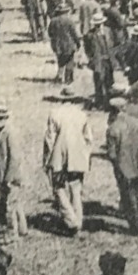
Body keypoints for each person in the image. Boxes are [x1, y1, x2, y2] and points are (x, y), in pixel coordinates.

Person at [42, 87, 93, 237]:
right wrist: (85, 155)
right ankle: (78, 220)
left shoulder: (55, 114)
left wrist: (47, 160)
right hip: (77, 156)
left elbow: (49, 139)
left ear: (61, 99)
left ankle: (71, 221)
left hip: (59, 156)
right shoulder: (82, 115)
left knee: (58, 188)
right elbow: (89, 138)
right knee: (76, 189)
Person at [104, 91, 138, 237]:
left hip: (123, 169)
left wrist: (118, 166)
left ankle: (135, 227)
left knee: (128, 197)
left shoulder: (113, 129)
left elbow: (112, 154)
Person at [0, 101, 28, 236]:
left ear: (6, 118)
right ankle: (22, 229)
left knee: (9, 205)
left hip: (11, 176)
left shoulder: (10, 133)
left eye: (1, 118)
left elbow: (15, 158)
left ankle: (11, 233)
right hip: (4, 174)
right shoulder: (0, 132)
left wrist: (8, 179)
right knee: (15, 203)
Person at [47, 0, 81, 86]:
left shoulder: (53, 21)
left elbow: (50, 33)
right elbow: (74, 34)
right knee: (69, 61)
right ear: (66, 11)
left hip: (57, 45)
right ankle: (68, 79)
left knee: (60, 61)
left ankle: (59, 76)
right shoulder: (69, 21)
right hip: (69, 44)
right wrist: (78, 43)